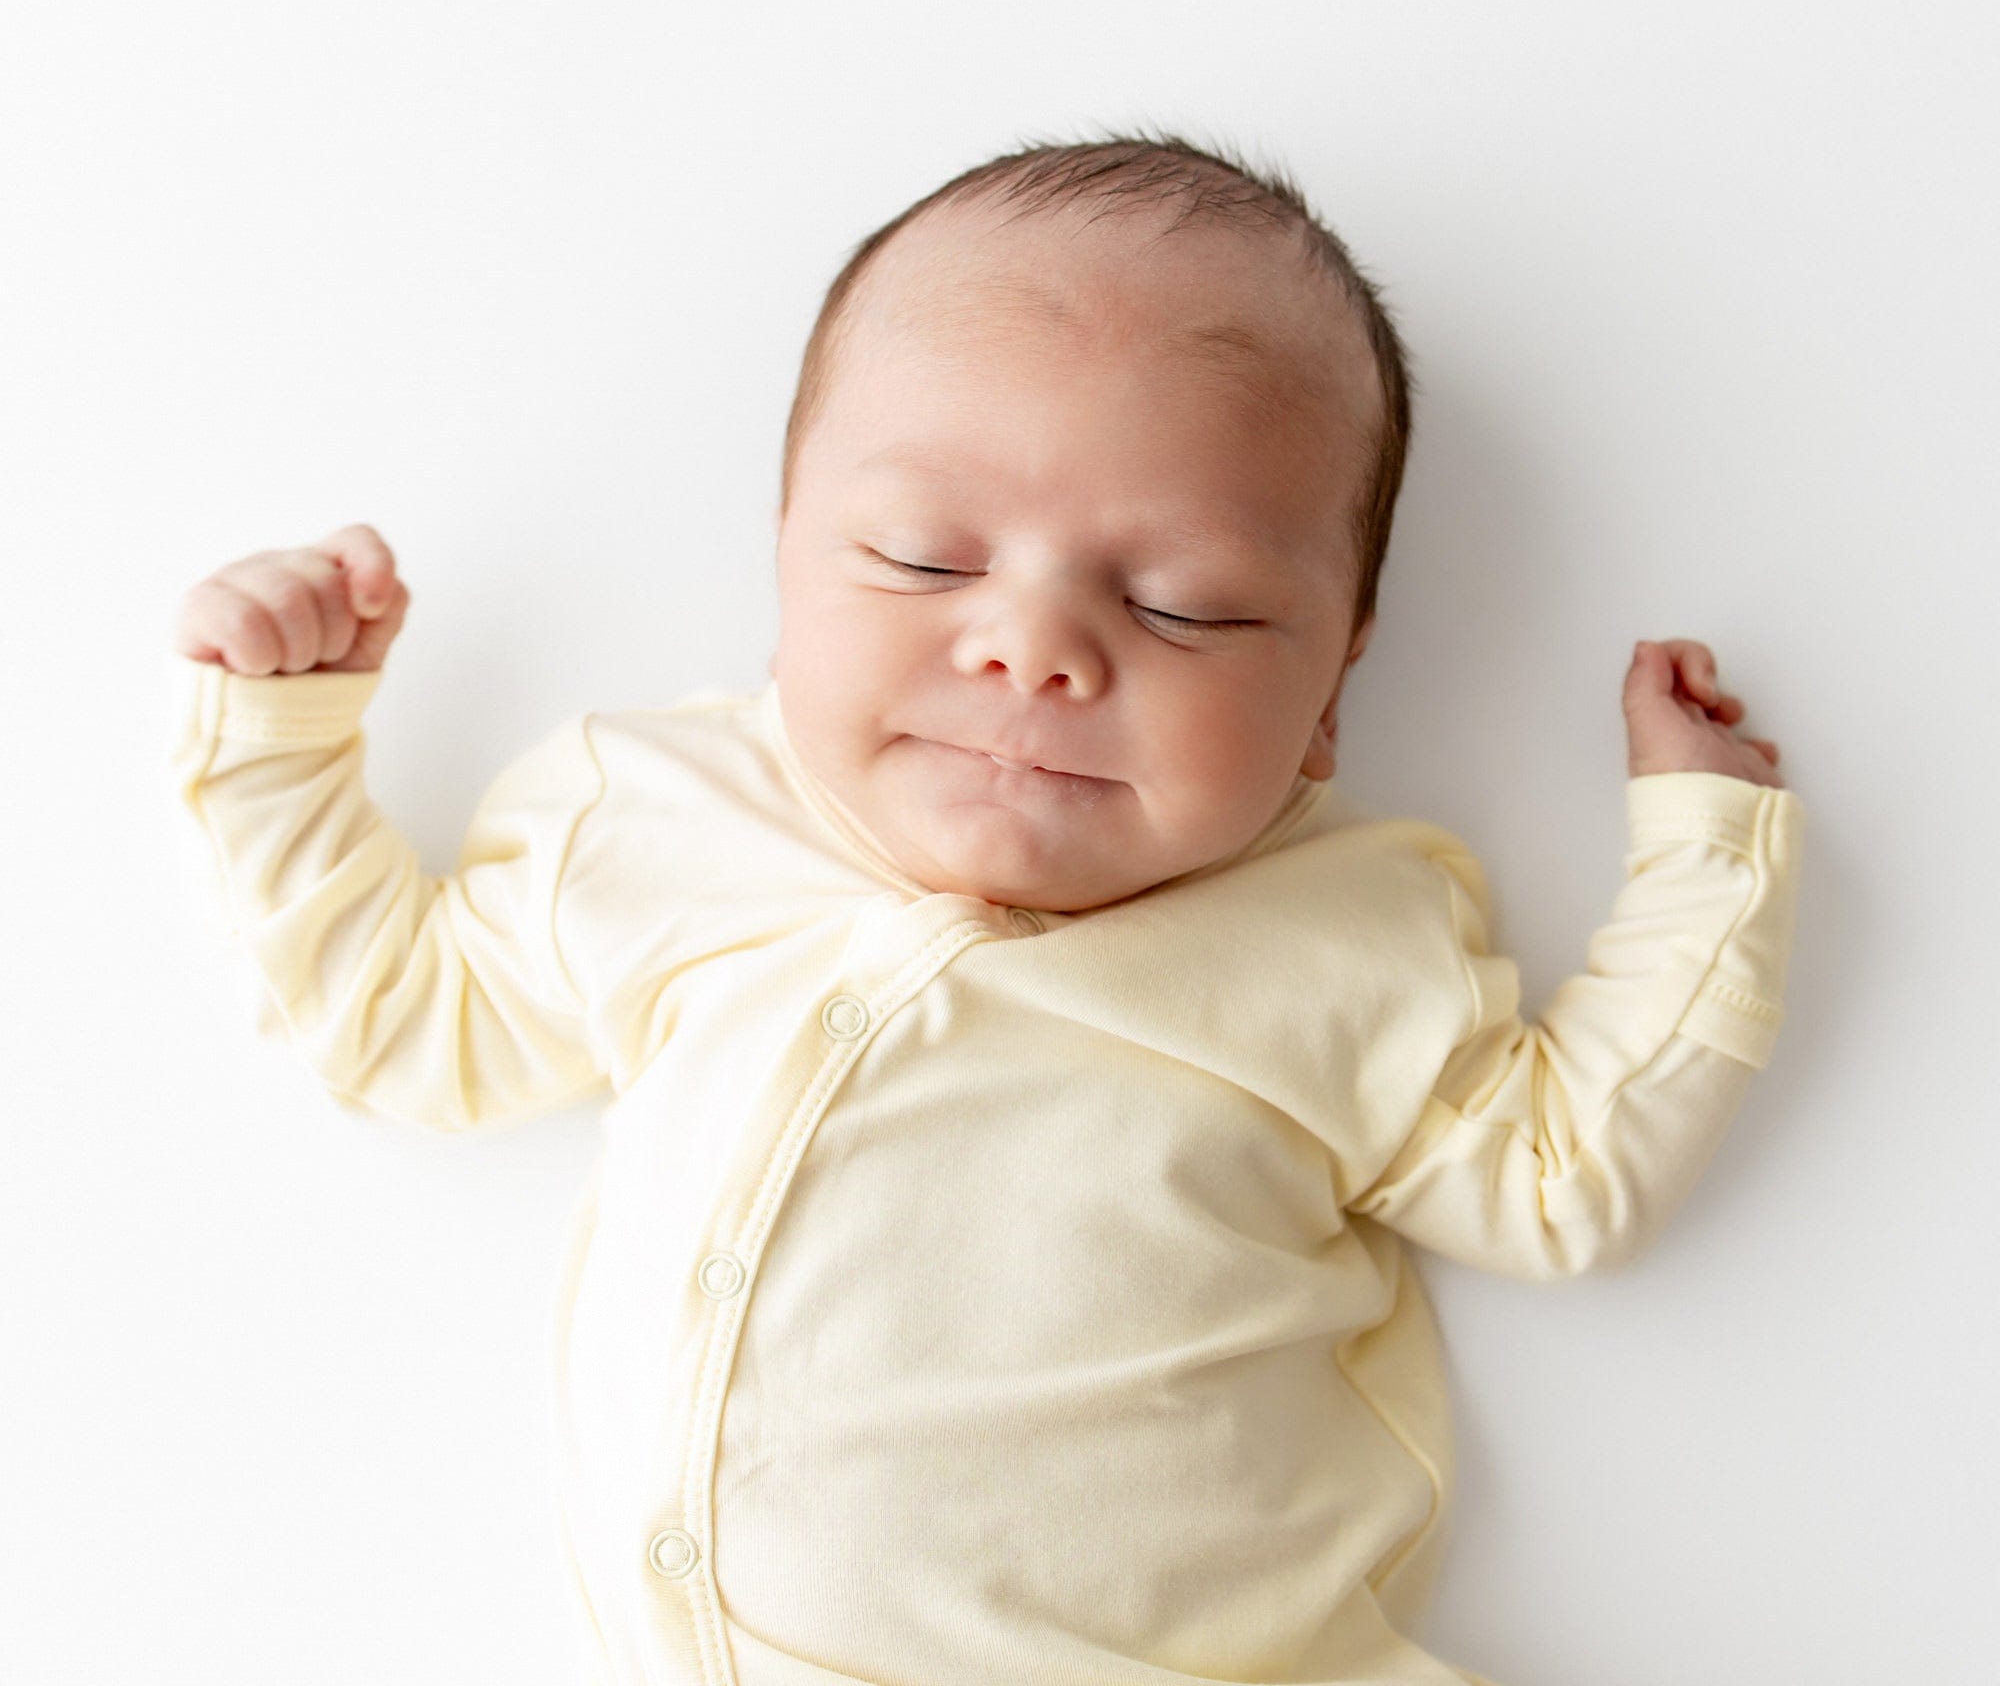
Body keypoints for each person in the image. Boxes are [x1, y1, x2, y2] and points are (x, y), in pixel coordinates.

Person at [166, 132, 1804, 1686]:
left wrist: (1705, 848)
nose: (1033, 648)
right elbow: (399, 1029)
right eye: (927, 559)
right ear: (790, 561)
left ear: (1328, 696)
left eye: (1183, 603)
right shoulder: (655, 824)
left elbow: (1561, 1176)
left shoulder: (1340, 933)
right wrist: (280, 744)